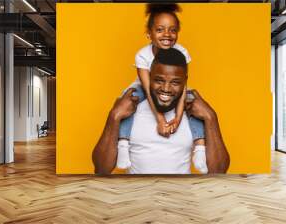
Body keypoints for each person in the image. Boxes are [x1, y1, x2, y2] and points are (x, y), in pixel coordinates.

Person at [93, 48, 230, 174]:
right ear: (149, 77)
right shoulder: (130, 106)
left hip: (182, 200)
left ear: (185, 81)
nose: (166, 88)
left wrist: (211, 117)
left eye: (175, 82)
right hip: (137, 199)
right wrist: (114, 116)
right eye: (159, 80)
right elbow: (101, 169)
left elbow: (219, 172)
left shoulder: (193, 110)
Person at [116, 3, 207, 173]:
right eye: (160, 30)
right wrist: (161, 120)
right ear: (149, 34)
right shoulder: (142, 55)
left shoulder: (182, 52)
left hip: (172, 87)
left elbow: (181, 88)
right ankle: (123, 143)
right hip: (146, 86)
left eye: (172, 30)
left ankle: (200, 147)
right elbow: (150, 92)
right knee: (126, 97)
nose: (167, 35)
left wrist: (178, 119)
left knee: (194, 99)